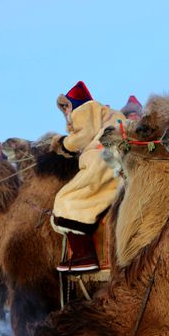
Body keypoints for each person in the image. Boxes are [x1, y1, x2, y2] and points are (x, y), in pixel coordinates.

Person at [51, 81, 124, 273]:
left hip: (105, 162)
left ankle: (85, 256)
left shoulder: (85, 108)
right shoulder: (106, 112)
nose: (66, 112)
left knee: (66, 200)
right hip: (119, 158)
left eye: (66, 106)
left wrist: (63, 144)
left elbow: (83, 136)